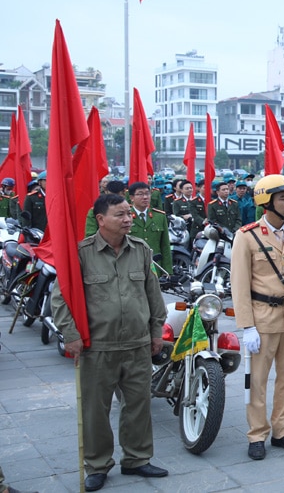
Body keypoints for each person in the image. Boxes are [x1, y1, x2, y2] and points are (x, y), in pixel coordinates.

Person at [51, 194, 168, 492]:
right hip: (97, 347)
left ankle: (137, 458)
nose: (128, 219)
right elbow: (61, 297)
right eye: (120, 214)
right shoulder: (82, 253)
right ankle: (98, 464)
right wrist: (71, 334)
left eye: (129, 213)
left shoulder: (141, 250)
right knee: (95, 410)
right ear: (101, 219)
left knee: (138, 405)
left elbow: (153, 294)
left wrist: (157, 331)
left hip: (137, 344)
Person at [231, 175, 284, 461]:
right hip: (263, 319)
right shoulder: (247, 235)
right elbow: (239, 285)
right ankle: (257, 433)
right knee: (256, 380)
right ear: (266, 202)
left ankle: (283, 430)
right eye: (283, 198)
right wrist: (247, 326)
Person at [128, 182, 172, 275]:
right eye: (140, 194)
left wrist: (168, 272)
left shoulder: (159, 216)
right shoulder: (125, 216)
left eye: (147, 193)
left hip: (154, 267)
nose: (145, 197)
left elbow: (165, 246)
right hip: (131, 267)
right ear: (132, 197)